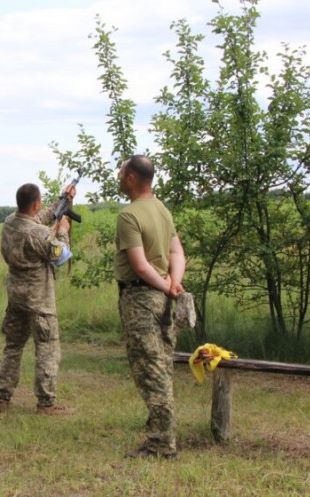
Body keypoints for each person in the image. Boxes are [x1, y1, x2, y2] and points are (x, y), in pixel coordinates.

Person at [115, 155, 186, 459]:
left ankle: (161, 444)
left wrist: (165, 284)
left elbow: (141, 266)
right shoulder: (162, 209)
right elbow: (177, 252)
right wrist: (174, 284)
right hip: (163, 298)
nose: (119, 177)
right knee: (162, 364)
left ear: (131, 177)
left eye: (121, 172)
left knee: (150, 369)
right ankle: (160, 429)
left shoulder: (129, 216)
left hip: (142, 299)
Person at [0, 182, 75, 415]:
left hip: (16, 296)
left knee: (13, 346)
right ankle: (46, 402)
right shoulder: (40, 234)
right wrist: (62, 230)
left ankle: (2, 397)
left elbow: (37, 219)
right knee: (47, 349)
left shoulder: (10, 222)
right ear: (36, 203)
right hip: (39, 300)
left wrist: (62, 201)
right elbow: (60, 255)